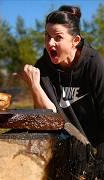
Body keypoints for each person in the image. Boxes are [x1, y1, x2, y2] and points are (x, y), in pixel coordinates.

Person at [18, 5, 104, 158]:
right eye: (47, 36)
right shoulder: (42, 68)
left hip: (98, 152)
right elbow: (46, 118)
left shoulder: (94, 63)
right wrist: (35, 86)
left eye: (58, 37)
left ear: (75, 40)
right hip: (64, 151)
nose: (50, 43)